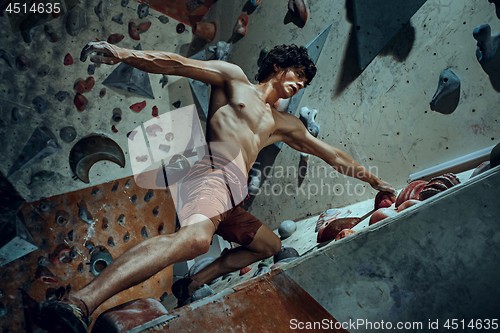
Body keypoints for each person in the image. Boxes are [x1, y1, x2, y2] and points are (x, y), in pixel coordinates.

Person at [38, 42, 396, 332]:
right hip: (210, 174)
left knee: (268, 245)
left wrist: (375, 180)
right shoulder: (234, 80)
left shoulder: (284, 123)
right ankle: (78, 302)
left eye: (304, 82)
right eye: (298, 74)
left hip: (231, 197)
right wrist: (122, 53)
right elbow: (176, 64)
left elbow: (330, 153)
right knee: (195, 240)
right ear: (279, 66)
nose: (300, 83)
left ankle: (192, 284)